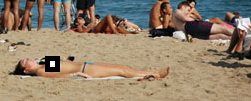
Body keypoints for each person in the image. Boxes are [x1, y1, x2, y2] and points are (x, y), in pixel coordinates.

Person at [13, 58, 170, 79]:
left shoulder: (43, 63)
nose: (27, 58)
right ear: (26, 70)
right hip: (87, 70)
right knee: (121, 71)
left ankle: (152, 72)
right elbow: (60, 75)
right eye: (24, 61)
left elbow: (61, 62)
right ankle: (155, 74)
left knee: (122, 66)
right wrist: (77, 74)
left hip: (86, 64)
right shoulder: (41, 71)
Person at [73, 14, 137, 34]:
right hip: (94, 30)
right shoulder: (79, 26)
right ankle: (114, 31)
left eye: (82, 18)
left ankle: (130, 33)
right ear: (76, 22)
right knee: (108, 16)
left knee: (118, 29)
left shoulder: (87, 23)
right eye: (79, 18)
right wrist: (90, 27)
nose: (82, 19)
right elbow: (82, 32)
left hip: (97, 28)